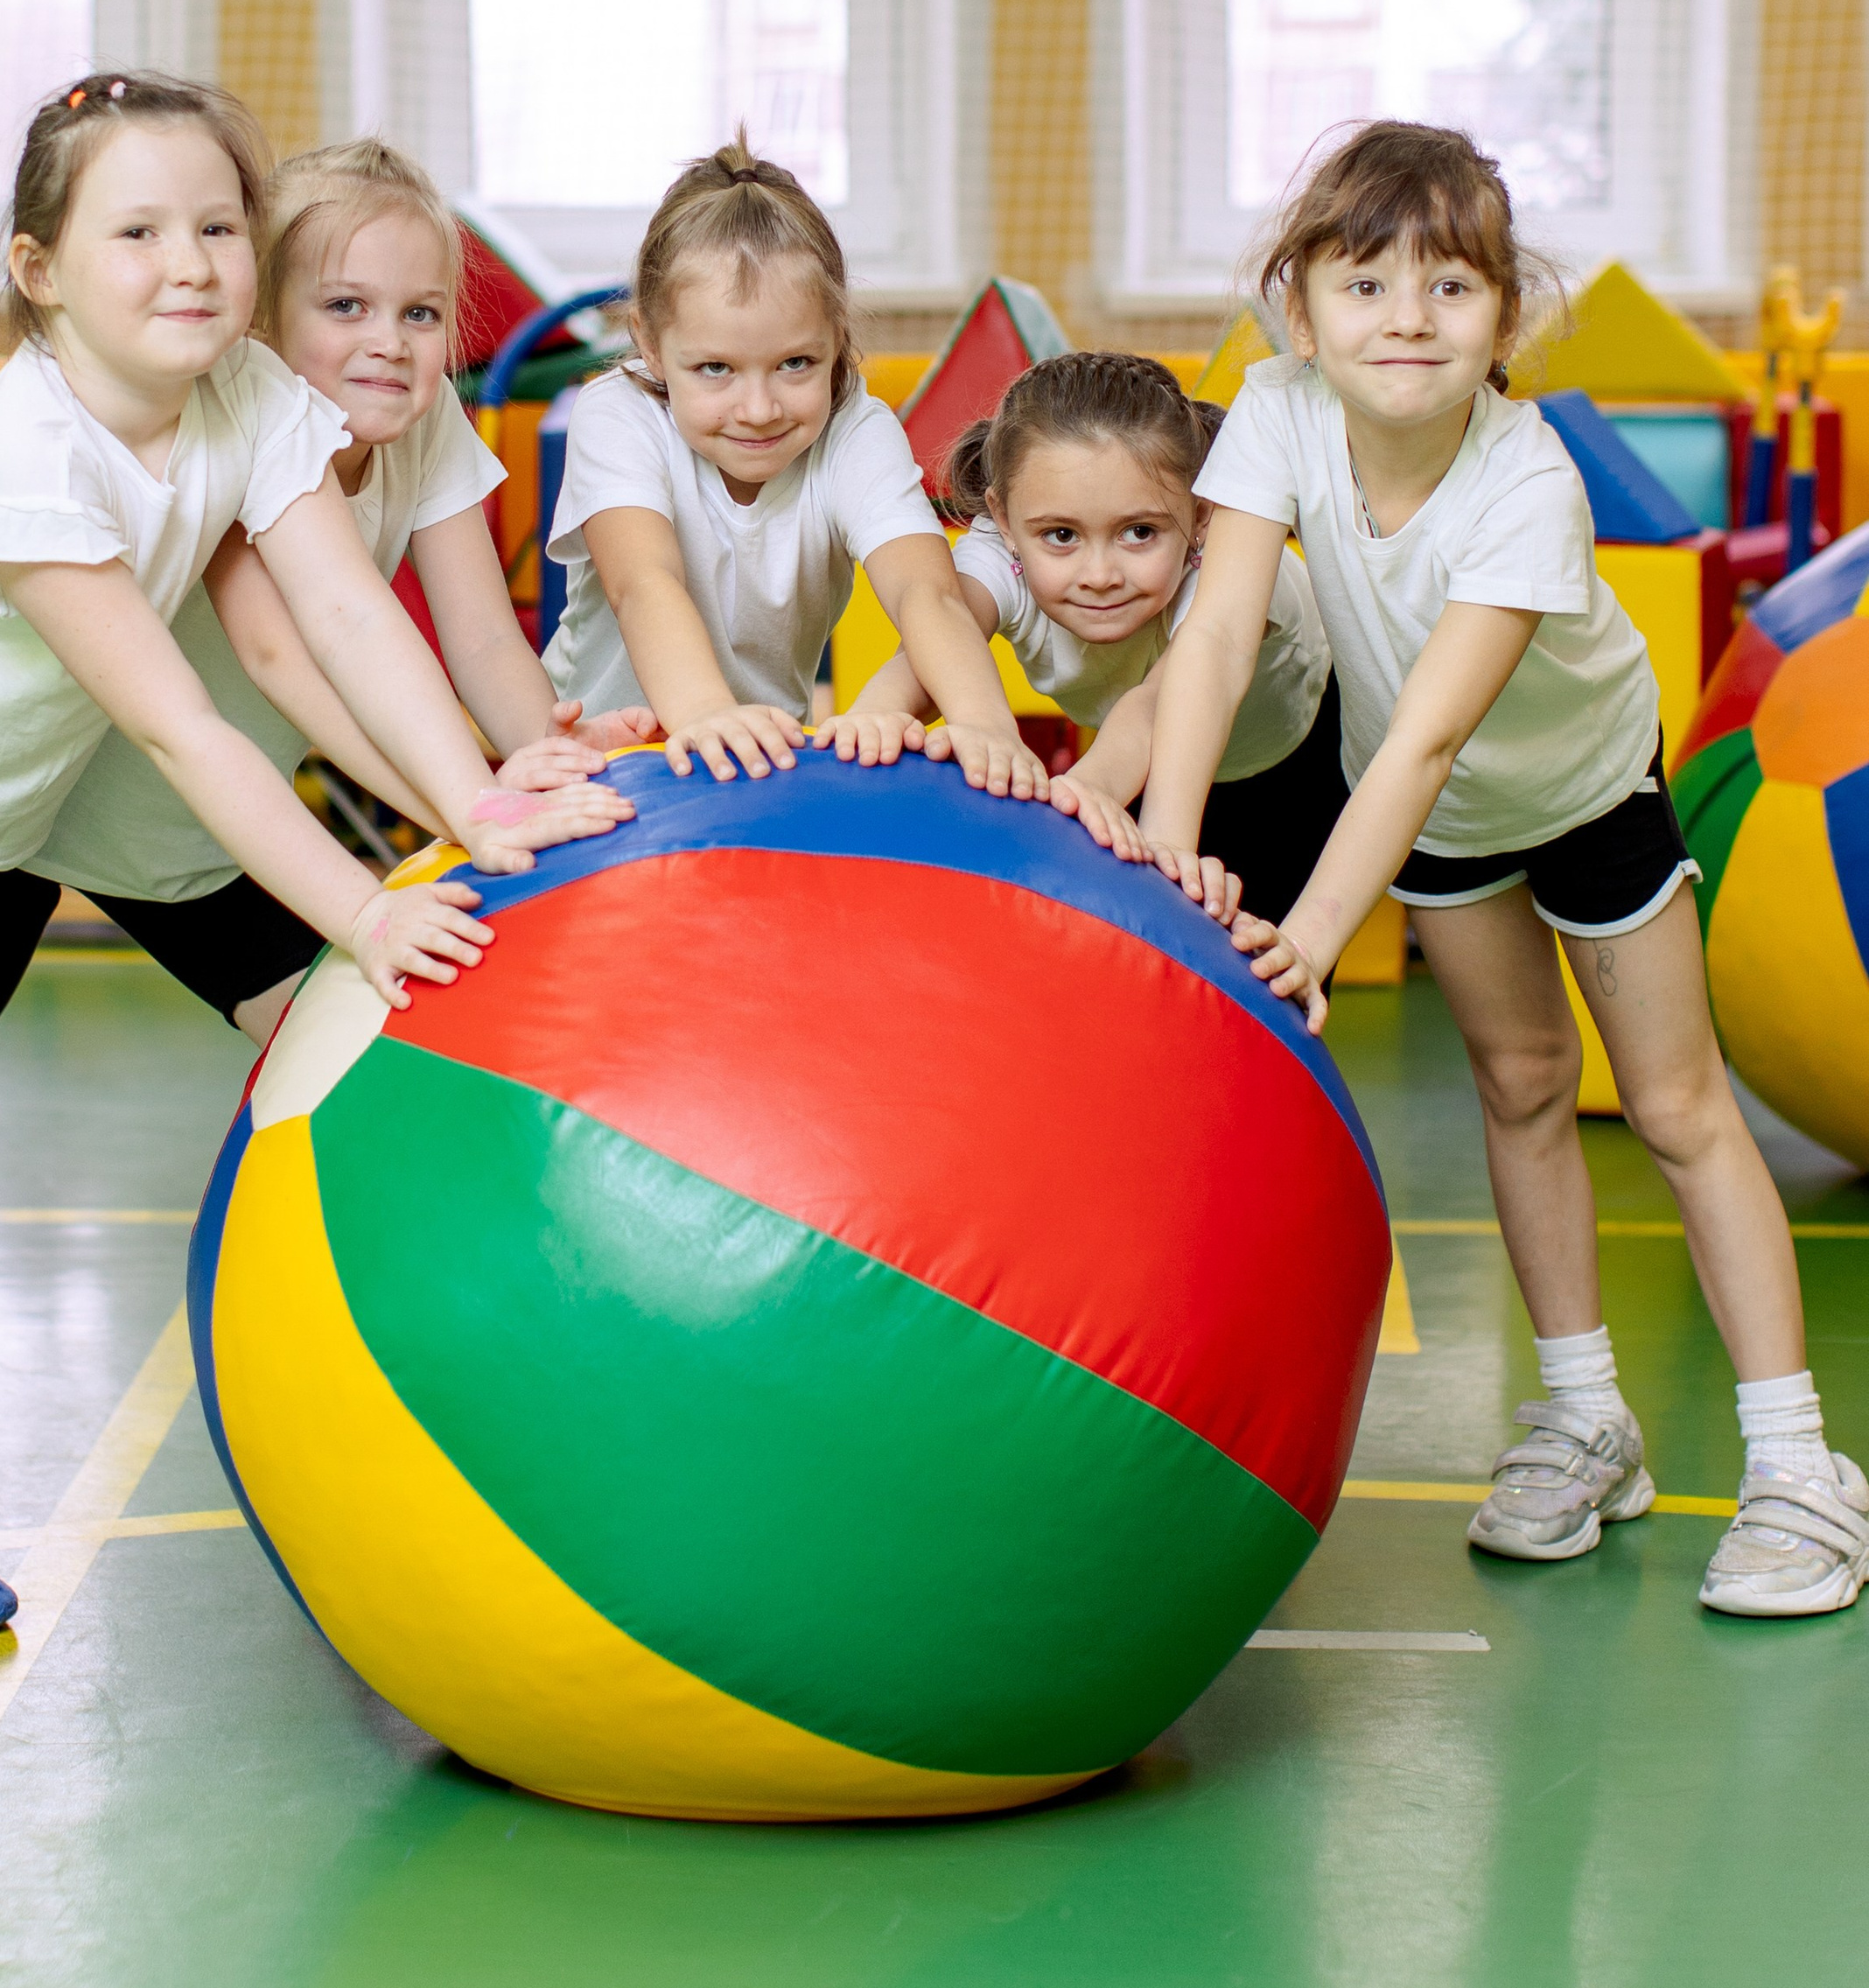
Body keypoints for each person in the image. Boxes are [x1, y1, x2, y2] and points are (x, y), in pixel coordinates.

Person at [0, 72, 623, 1684]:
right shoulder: (25, 453)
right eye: (139, 231)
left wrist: (483, 801)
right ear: (39, 268)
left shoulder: (247, 399)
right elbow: (182, 728)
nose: (193, 262)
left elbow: (352, 625)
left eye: (220, 226)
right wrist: (366, 911)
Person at [1140, 117, 1868, 1619]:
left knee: (1673, 1106)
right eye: (1364, 284)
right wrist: (1162, 849)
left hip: (1579, 782)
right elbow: (1214, 634)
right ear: (1298, 309)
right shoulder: (1270, 415)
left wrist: (1310, 938)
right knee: (1522, 1084)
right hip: (1448, 822)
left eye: (1450, 288)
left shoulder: (1528, 480)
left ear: (1503, 317)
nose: (1406, 319)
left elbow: (1422, 734)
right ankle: (1584, 1418)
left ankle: (1801, 1464)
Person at [29, 135, 657, 1044]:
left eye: (420, 313)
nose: (389, 344)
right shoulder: (232, 416)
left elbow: (480, 639)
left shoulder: (426, 417)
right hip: (73, 814)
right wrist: (469, 800)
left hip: (221, 847)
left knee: (363, 1048)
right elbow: (284, 655)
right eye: (345, 306)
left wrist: (542, 757)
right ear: (260, 321)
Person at [543, 136, 1047, 797]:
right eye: (715, 368)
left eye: (795, 364)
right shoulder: (618, 413)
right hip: (599, 757)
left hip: (755, 768)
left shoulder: (855, 431)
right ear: (649, 344)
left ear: (837, 338)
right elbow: (643, 582)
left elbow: (926, 591)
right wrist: (703, 714)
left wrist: (986, 726)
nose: (758, 408)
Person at [836, 348, 1340, 920]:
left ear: (1201, 514)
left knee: (1263, 950)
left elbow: (1156, 708)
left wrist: (1078, 795)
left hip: (1287, 750)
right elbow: (941, 630)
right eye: (1061, 535)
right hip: (1143, 757)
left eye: (1140, 531)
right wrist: (873, 717)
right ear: (1003, 520)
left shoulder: (1230, 568)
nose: (1100, 575)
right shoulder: (999, 554)